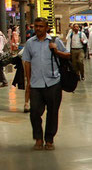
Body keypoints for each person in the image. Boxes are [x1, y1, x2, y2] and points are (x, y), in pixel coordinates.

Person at [23, 17, 70, 150]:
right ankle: (38, 138)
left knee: (52, 112)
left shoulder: (55, 41)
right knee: (35, 112)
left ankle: (49, 139)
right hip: (36, 83)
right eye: (36, 26)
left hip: (53, 82)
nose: (38, 29)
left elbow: (68, 55)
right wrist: (28, 81)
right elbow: (27, 61)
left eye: (41, 26)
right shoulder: (30, 43)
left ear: (46, 28)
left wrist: (56, 51)